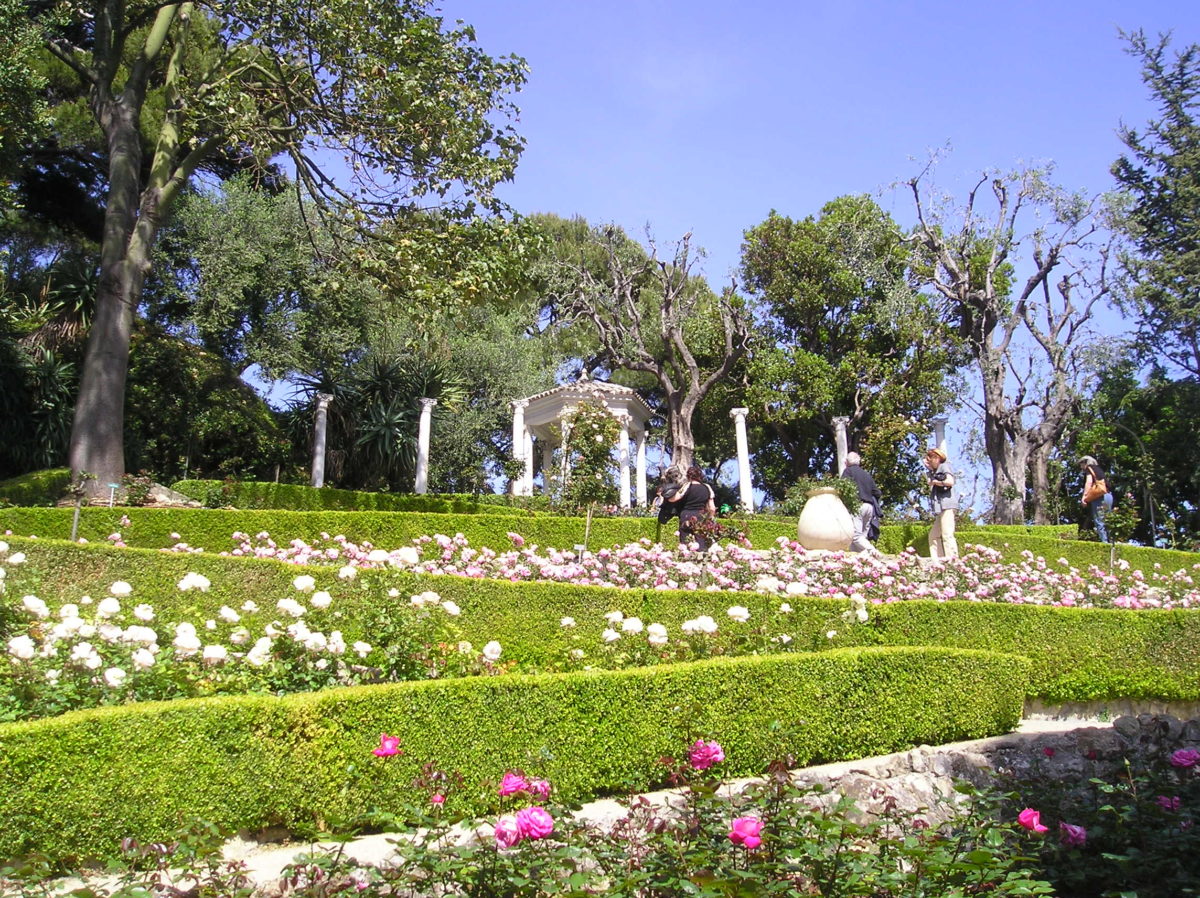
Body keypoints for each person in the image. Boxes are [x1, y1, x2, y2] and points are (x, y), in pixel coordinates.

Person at [665, 465, 717, 550]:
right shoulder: (707, 487)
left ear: (688, 476)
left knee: (685, 544)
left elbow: (674, 499)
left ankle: (686, 557)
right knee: (701, 542)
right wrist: (709, 519)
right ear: (700, 476)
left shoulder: (687, 486)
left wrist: (666, 496)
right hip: (701, 517)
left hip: (686, 516)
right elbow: (712, 508)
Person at [841, 451, 882, 553]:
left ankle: (873, 551)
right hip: (869, 507)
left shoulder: (848, 471)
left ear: (847, 462)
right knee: (862, 537)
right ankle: (860, 558)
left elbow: (842, 488)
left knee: (855, 536)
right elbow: (877, 492)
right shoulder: (866, 474)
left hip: (857, 506)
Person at [923, 447, 958, 560]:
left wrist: (937, 482)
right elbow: (929, 482)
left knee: (947, 534)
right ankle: (938, 559)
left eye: (930, 459)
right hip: (941, 507)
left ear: (936, 458)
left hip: (947, 505)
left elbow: (950, 481)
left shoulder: (944, 466)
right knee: (933, 536)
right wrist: (929, 470)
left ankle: (952, 559)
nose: (929, 462)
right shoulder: (935, 471)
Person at [1078, 455, 1113, 543]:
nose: (1081, 467)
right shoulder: (1099, 470)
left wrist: (1084, 497)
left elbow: (1089, 482)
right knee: (1108, 520)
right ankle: (1112, 542)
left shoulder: (1089, 468)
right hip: (1108, 496)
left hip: (1099, 497)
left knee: (1099, 521)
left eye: (1081, 464)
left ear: (1085, 462)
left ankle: (1105, 543)